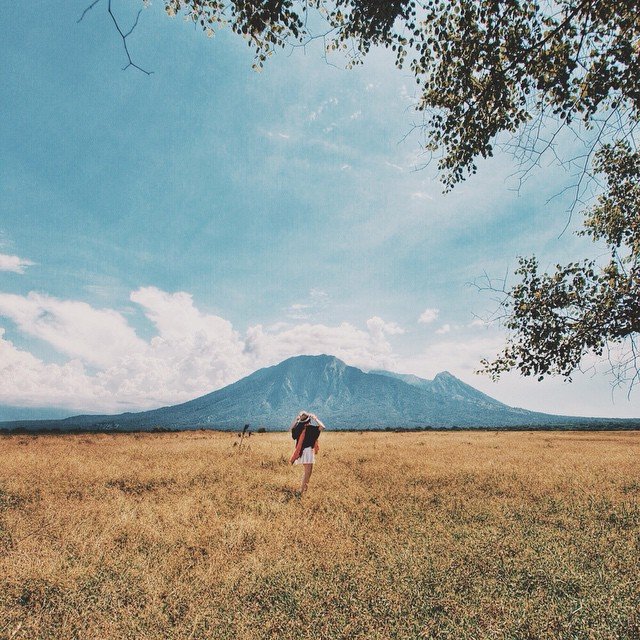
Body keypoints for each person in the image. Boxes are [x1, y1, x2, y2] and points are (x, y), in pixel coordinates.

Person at [289, 411, 325, 495]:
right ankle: (301, 491)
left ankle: (304, 490)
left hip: (303, 451)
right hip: (307, 451)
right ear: (309, 420)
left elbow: (291, 429)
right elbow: (322, 427)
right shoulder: (311, 428)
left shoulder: (298, 429)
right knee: (307, 472)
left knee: (308, 472)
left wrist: (297, 420)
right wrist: (315, 418)